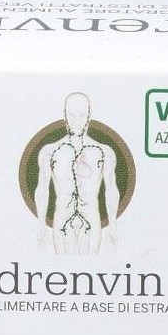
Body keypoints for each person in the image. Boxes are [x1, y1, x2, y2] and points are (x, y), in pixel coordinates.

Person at [36, 93, 120, 255]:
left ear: (89, 115)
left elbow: (111, 189)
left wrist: (113, 223)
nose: (76, 121)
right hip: (61, 220)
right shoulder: (49, 152)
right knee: (62, 267)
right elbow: (42, 188)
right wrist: (41, 223)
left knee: (90, 266)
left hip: (91, 220)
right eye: (72, 115)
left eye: (82, 115)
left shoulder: (105, 152)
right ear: (64, 115)